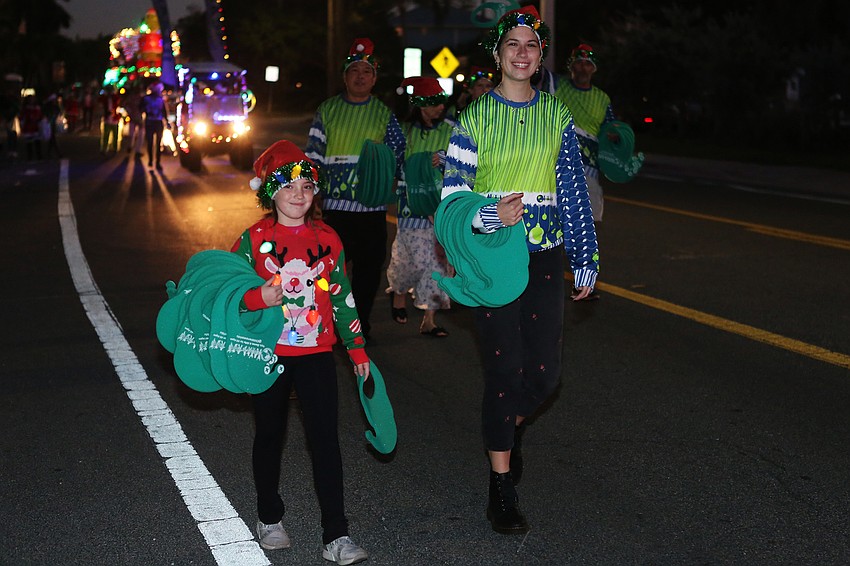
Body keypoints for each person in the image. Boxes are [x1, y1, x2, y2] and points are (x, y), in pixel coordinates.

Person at [442, 6, 599, 535]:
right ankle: (501, 488)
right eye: (513, 43)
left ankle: (507, 429)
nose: (522, 52)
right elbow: (451, 201)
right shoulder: (474, 117)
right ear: (498, 54)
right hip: (491, 260)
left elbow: (573, 192)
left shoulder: (557, 115)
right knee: (504, 374)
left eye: (531, 44)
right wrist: (489, 215)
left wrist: (586, 258)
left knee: (545, 378)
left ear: (539, 57)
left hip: (545, 255)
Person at [231, 140, 371, 565]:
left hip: (316, 353)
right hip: (268, 354)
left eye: (307, 186)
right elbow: (230, 296)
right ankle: (269, 517)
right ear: (268, 192)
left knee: (325, 439)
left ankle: (337, 535)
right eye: (287, 185)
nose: (298, 194)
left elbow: (344, 296)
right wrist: (259, 297)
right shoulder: (253, 240)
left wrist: (358, 351)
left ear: (315, 194)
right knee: (269, 434)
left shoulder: (327, 238)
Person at [305, 38, 406, 341]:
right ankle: (327, 323)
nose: (360, 76)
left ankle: (359, 325)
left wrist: (399, 191)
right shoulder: (328, 110)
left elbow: (398, 154)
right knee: (330, 272)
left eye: (366, 72)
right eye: (354, 71)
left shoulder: (383, 114)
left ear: (374, 79)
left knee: (367, 273)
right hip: (335, 210)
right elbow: (313, 154)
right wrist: (311, 196)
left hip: (372, 210)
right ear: (345, 77)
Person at [386, 77, 453, 337]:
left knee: (437, 260)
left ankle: (429, 318)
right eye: (435, 104)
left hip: (439, 204)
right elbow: (393, 164)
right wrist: (423, 162)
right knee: (410, 258)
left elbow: (462, 157)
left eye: (442, 103)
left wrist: (443, 159)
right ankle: (400, 293)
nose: (440, 109)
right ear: (421, 105)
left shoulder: (451, 128)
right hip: (410, 204)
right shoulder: (403, 130)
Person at [553, 43, 617, 224]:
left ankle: (582, 251)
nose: (583, 68)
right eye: (579, 63)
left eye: (588, 64)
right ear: (571, 66)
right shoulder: (556, 85)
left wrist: (613, 138)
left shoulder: (602, 98)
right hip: (556, 162)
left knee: (587, 220)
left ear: (593, 69)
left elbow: (610, 129)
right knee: (556, 218)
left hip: (588, 165)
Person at [140, 81, 169, 169]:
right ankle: (153, 161)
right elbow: (164, 112)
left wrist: (166, 121)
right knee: (152, 142)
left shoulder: (157, 99)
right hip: (152, 122)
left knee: (155, 143)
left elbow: (164, 112)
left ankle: (154, 161)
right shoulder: (148, 99)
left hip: (154, 122)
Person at [122, 85, 144, 158]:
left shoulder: (141, 98)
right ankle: (130, 148)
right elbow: (125, 105)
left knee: (139, 134)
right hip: (134, 118)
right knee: (132, 134)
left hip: (138, 118)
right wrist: (129, 112)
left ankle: (136, 150)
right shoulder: (132, 98)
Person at [19, 95, 43, 162]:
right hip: (28, 127)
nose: (32, 100)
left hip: (36, 127)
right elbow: (22, 117)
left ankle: (39, 157)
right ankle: (30, 157)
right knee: (29, 143)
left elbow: (40, 116)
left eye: (33, 99)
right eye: (30, 99)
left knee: (37, 143)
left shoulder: (37, 107)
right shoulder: (25, 108)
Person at [99, 86, 122, 155]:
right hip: (108, 118)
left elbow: (118, 105)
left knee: (115, 135)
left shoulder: (115, 97)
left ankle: (114, 148)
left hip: (114, 119)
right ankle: (104, 149)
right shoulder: (105, 98)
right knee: (106, 135)